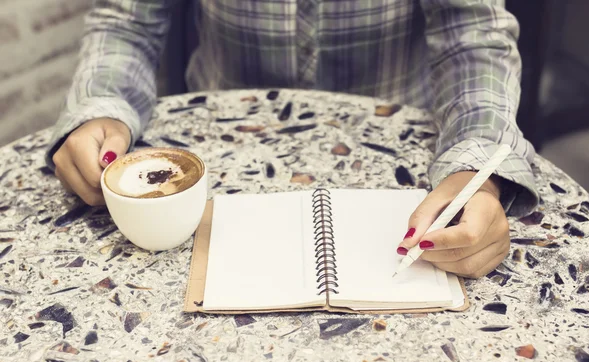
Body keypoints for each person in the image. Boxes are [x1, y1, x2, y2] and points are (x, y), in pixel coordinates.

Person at [46, 0, 539, 278]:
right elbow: (128, 21)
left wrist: (477, 166)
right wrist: (102, 107)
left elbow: (472, 36)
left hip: (401, 156)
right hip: (220, 150)